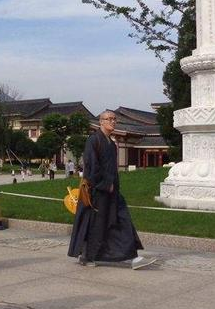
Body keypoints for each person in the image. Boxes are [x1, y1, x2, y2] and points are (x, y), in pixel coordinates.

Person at [67, 111, 156, 270]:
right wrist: (105, 184)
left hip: (113, 192)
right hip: (98, 191)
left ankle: (133, 257)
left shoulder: (112, 143)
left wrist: (113, 186)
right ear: (101, 122)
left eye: (114, 119)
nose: (113, 122)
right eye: (109, 119)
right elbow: (91, 167)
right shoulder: (94, 140)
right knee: (97, 226)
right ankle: (88, 256)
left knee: (122, 220)